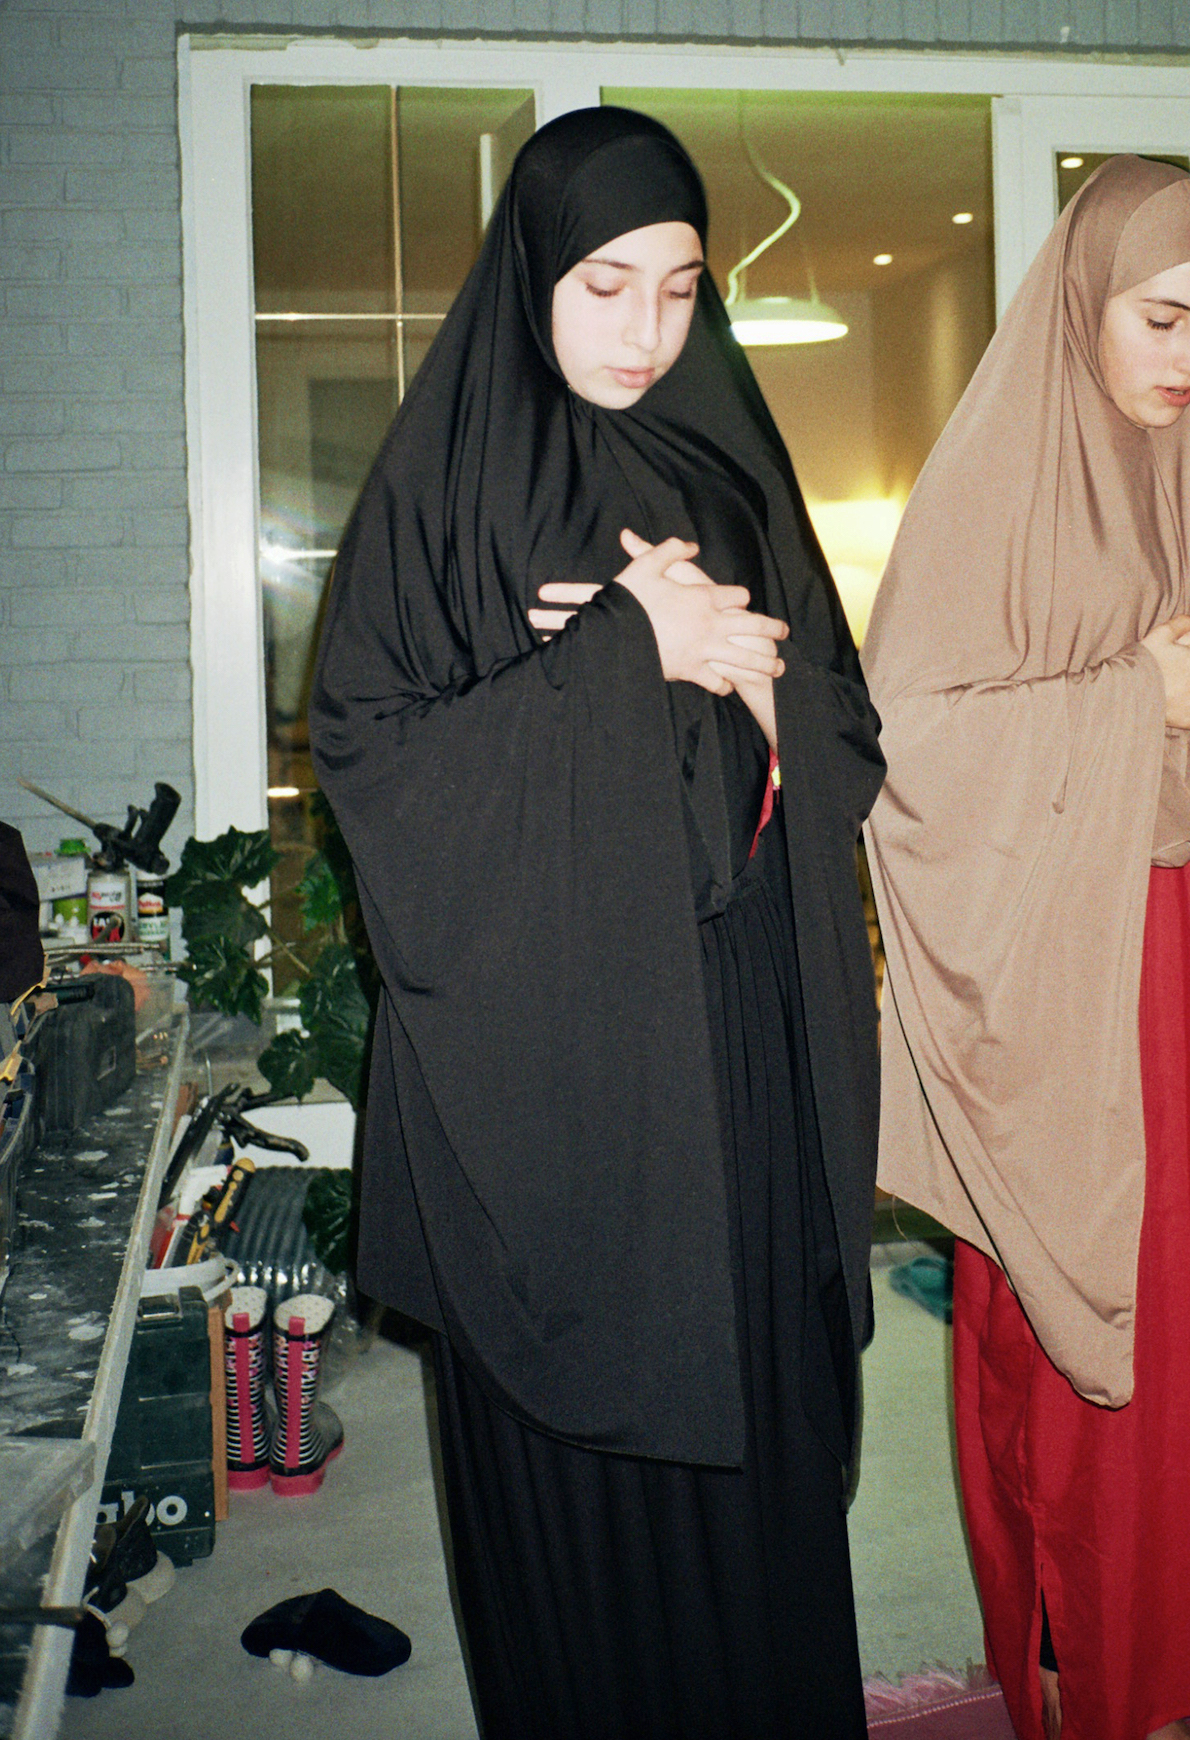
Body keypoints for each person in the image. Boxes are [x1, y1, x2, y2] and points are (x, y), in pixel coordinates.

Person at [308, 106, 884, 1740]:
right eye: (604, 285)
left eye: (682, 289)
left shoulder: (733, 466)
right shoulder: (446, 490)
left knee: (754, 1452)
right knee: (590, 1485)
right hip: (552, 1068)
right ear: (532, 280)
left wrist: (750, 676)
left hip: (735, 1032)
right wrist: (619, 657)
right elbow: (374, 760)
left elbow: (843, 728)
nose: (644, 332)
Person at [862, 155, 1190, 1740]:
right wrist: (1126, 701)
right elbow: (908, 742)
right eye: (1159, 317)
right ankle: (1093, 1676)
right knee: (1086, 1334)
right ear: (1083, 306)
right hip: (1078, 974)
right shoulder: (994, 482)